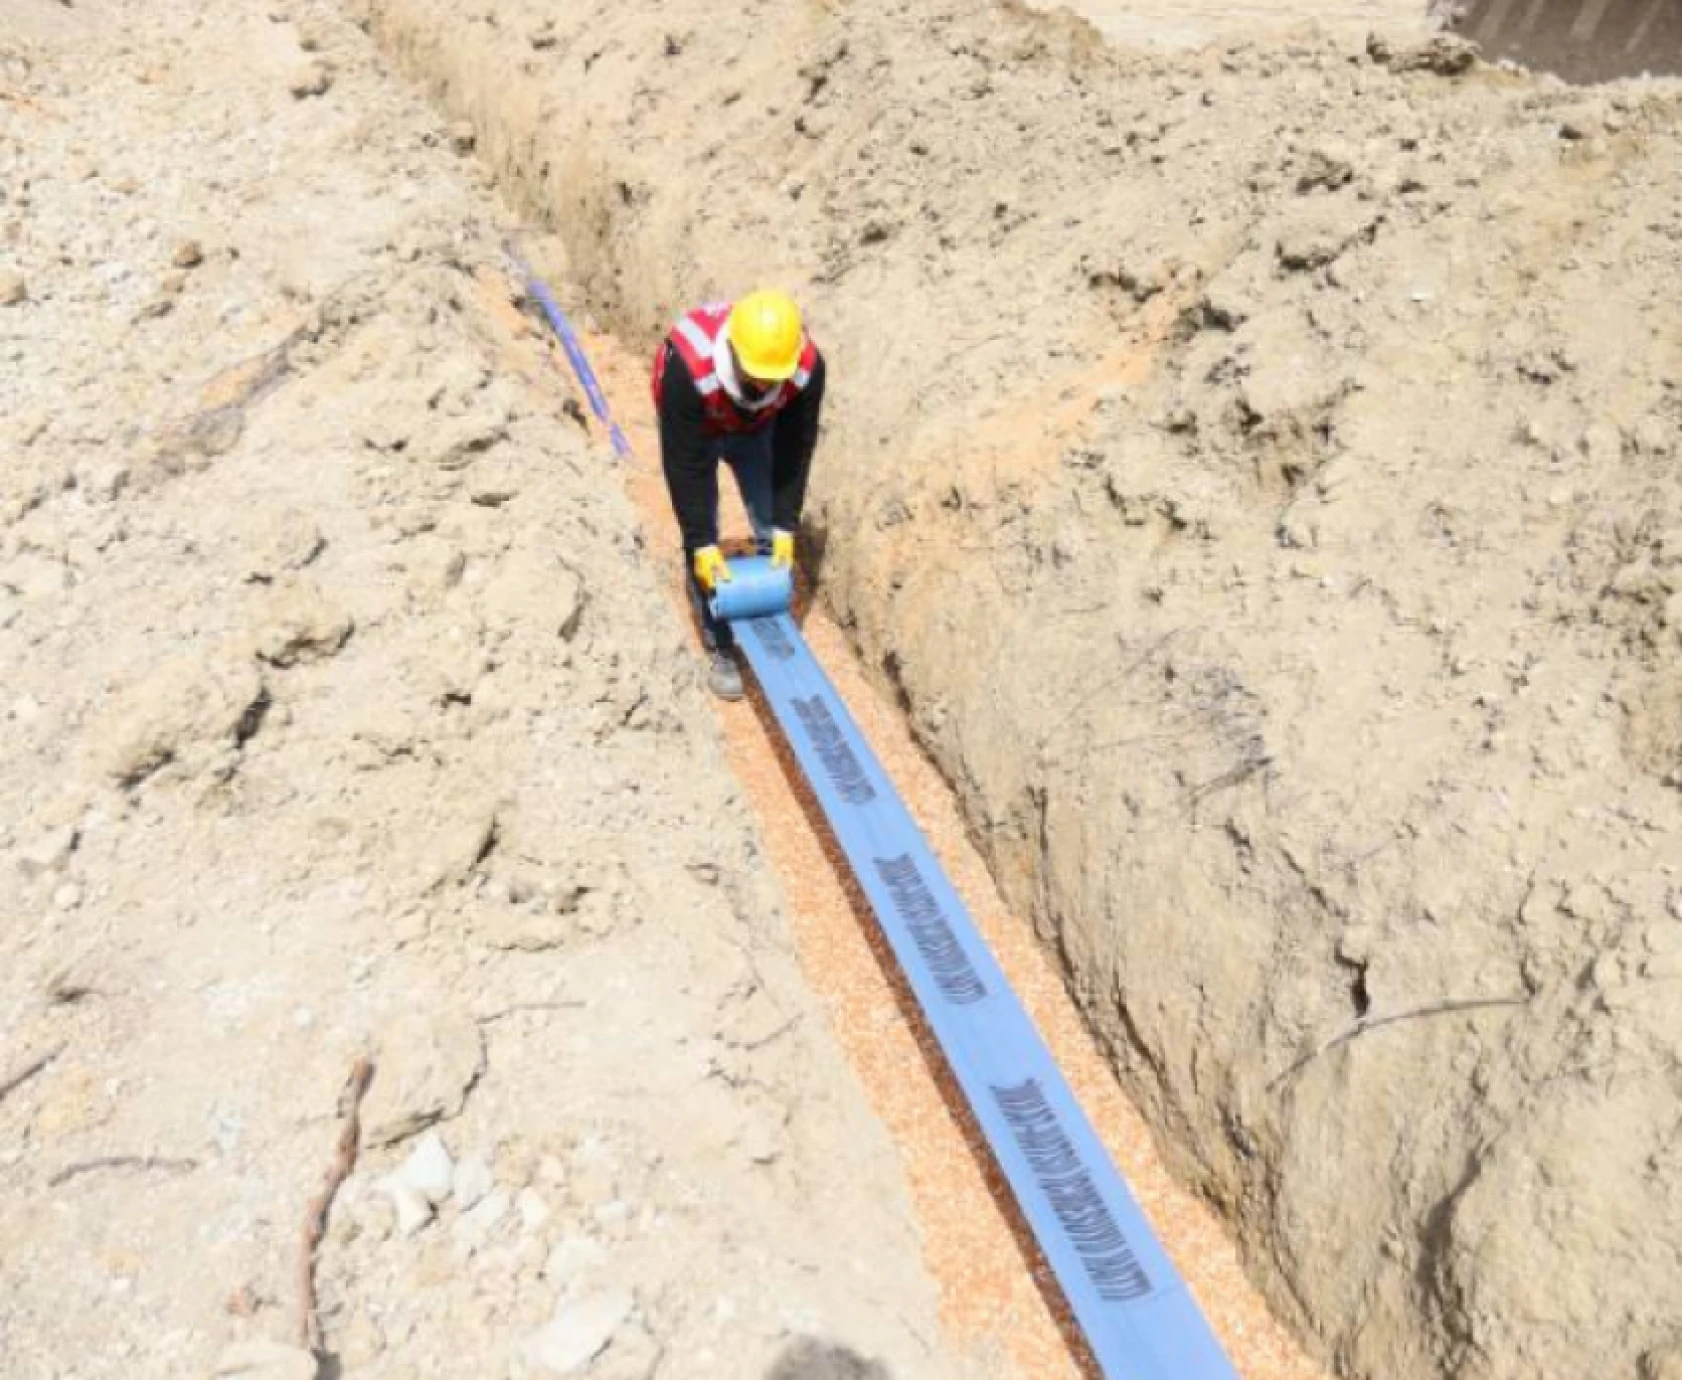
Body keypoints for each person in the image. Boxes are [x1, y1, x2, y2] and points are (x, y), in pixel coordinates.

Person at [651, 289, 827, 700]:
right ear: (731, 349)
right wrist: (701, 543)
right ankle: (720, 645)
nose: (764, 383)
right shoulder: (687, 369)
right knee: (703, 536)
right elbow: (685, 467)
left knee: (770, 518)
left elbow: (796, 446)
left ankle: (770, 611)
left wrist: (784, 525)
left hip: (758, 427)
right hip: (699, 425)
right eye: (756, 375)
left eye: (772, 378)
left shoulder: (804, 368)